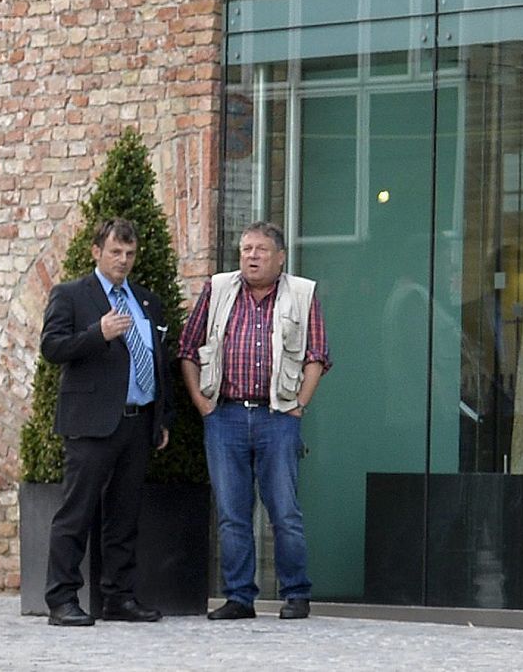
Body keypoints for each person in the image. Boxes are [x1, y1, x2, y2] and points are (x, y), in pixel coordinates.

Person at [177, 221, 330, 621]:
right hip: (224, 414)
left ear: (280, 257)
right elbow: (188, 347)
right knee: (232, 513)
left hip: (277, 417)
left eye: (261, 250)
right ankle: (240, 597)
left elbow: (317, 356)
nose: (251, 257)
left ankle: (296, 593)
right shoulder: (218, 289)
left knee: (285, 512)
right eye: (246, 249)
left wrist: (299, 404)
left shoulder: (301, 293)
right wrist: (201, 402)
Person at [38, 218, 171, 626]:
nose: (123, 260)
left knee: (124, 516)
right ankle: (61, 599)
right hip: (92, 424)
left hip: (136, 422)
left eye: (130, 254)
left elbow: (158, 361)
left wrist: (161, 416)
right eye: (115, 252)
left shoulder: (146, 301)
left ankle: (119, 597)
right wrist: (99, 332)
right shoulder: (71, 295)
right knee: (75, 514)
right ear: (96, 251)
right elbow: (52, 347)